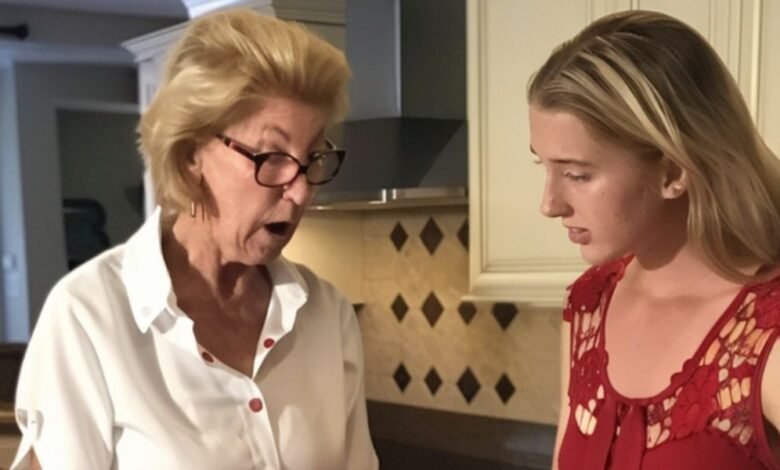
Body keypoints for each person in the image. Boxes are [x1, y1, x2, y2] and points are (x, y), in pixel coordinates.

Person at [11, 8, 378, 470]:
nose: (301, 190)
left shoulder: (327, 316)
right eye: (271, 156)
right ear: (190, 154)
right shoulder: (88, 315)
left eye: (313, 157)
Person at [527, 10, 780, 470]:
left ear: (672, 172)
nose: (549, 204)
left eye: (577, 174)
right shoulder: (589, 304)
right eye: (543, 166)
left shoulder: (766, 330)